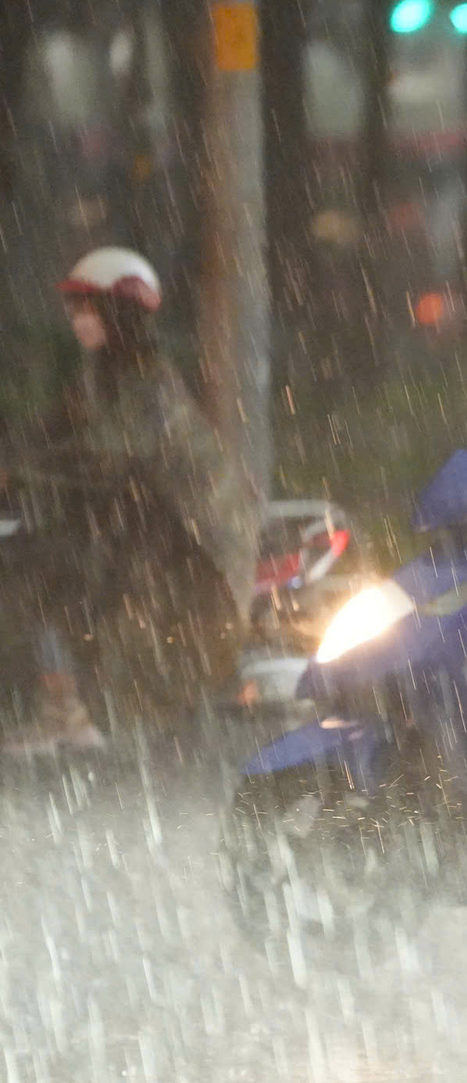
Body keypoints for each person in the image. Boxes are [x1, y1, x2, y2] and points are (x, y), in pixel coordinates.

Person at [1, 247, 258, 753]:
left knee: (38, 569)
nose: (76, 320)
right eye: (74, 309)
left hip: (189, 558)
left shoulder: (149, 383)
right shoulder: (103, 378)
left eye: (85, 308)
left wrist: (16, 473)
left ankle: (63, 707)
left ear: (118, 312)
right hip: (143, 536)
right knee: (35, 558)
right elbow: (48, 434)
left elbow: (102, 455)